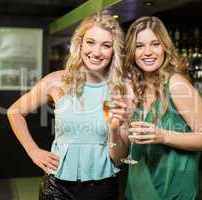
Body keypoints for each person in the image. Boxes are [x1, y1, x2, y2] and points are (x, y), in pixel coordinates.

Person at [7, 12, 129, 200]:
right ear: (80, 44)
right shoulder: (57, 81)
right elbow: (14, 111)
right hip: (58, 187)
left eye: (106, 45)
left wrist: (114, 130)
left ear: (114, 51)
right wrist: (33, 151)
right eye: (90, 42)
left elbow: (119, 158)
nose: (96, 52)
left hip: (103, 188)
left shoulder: (121, 89)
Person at [123, 16, 202, 200]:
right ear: (132, 51)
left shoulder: (176, 84)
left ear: (165, 47)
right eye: (140, 46)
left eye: (155, 44)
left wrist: (163, 135)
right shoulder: (136, 88)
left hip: (171, 192)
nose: (147, 52)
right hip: (140, 189)